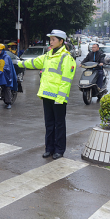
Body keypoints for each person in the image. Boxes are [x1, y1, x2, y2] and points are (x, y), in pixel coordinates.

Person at [17, 29, 76, 160]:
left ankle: (59, 150)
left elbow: (66, 80)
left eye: (54, 39)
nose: (51, 41)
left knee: (59, 124)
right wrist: (18, 63)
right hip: (46, 95)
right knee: (49, 124)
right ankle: (49, 148)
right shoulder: (48, 55)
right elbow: (33, 62)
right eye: (50, 39)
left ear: (61, 42)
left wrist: (60, 98)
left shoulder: (66, 58)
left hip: (58, 98)